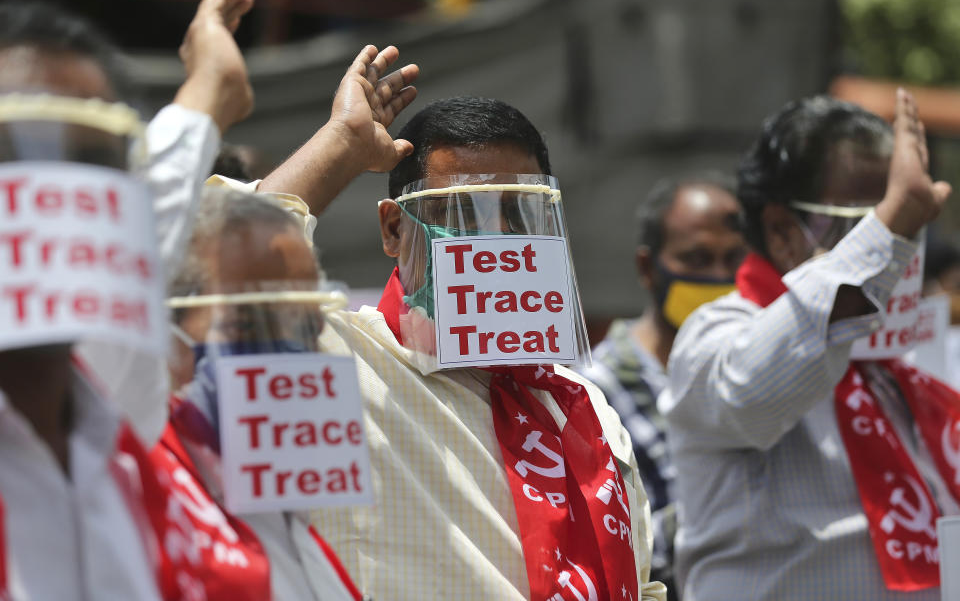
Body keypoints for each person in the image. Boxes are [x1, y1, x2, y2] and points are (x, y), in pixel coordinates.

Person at [294, 96, 666, 601]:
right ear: (392, 228)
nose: (495, 240)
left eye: (517, 213)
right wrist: (339, 145)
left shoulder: (584, 407)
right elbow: (221, 274)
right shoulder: (337, 365)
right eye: (462, 214)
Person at [0, 0, 254, 599]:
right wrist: (208, 96)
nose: (61, 202)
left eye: (92, 165)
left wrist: (210, 95)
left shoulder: (116, 416)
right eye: (15, 156)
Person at [662, 91, 954, 600]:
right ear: (780, 231)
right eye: (867, 223)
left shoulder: (895, 364)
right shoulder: (715, 334)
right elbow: (752, 389)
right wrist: (891, 224)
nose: (895, 250)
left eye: (908, 227)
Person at [157, 186, 365, 600]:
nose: (290, 342)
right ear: (168, 325)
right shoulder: (137, 478)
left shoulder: (288, 517)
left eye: (306, 318)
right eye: (252, 319)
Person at [577, 173, 746, 600]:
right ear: (647, 268)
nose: (719, 278)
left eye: (734, 259)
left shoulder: (752, 372)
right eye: (697, 259)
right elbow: (619, 545)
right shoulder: (594, 393)